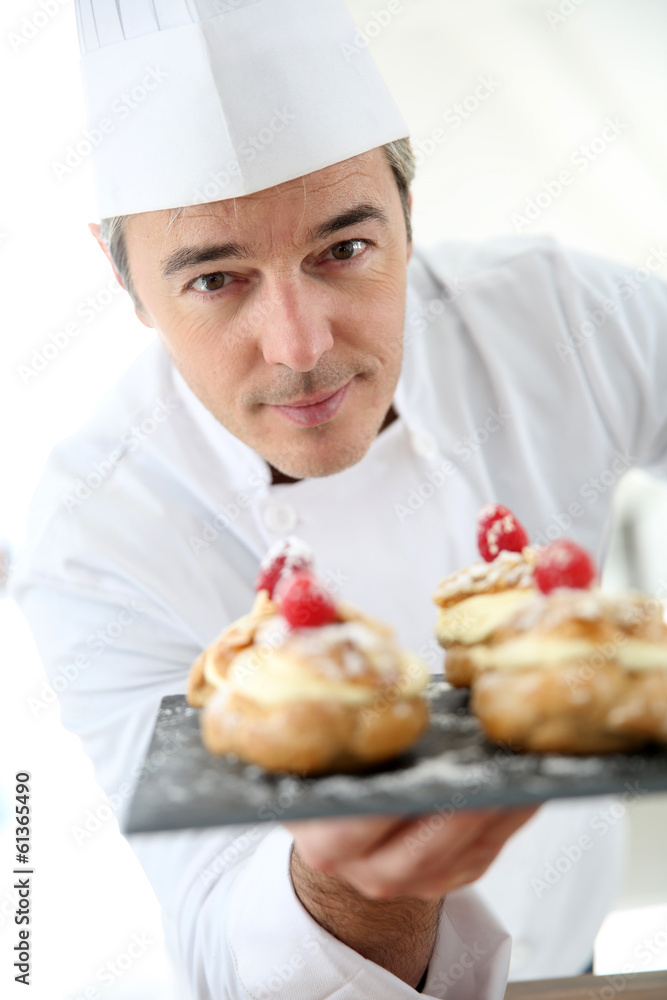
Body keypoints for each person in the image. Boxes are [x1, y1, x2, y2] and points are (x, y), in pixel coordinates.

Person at [12, 1, 667, 997]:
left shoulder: (560, 316)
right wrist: (353, 889)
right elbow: (218, 936)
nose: (301, 345)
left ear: (408, 215)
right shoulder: (91, 535)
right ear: (127, 283)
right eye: (216, 279)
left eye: (343, 250)